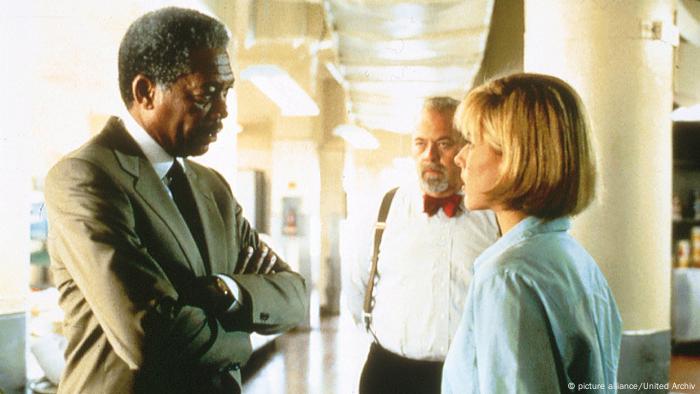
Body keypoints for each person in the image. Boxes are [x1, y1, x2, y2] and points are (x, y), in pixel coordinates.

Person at [44, 7, 307, 394]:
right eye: (206, 95)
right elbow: (154, 338)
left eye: (226, 92)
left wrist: (230, 292)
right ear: (145, 92)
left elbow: (295, 294)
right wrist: (242, 340)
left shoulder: (212, 187)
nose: (222, 111)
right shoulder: (86, 178)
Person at [443, 73, 622, 393]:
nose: (459, 157)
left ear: (514, 154)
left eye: (472, 142)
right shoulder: (572, 258)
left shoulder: (507, 276)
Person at [348, 97, 500, 394]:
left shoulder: (493, 217)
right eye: (420, 143)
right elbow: (356, 289)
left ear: (465, 148)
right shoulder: (382, 210)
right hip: (389, 374)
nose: (430, 155)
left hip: (469, 376)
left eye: (444, 143)